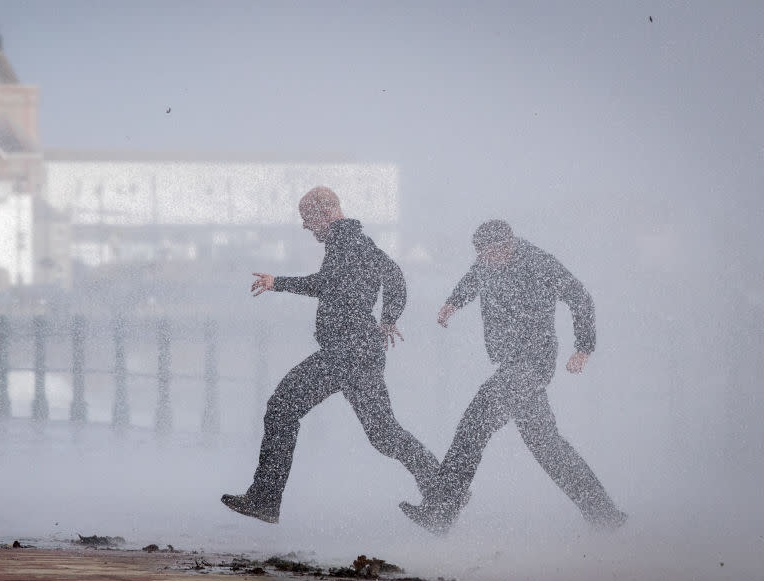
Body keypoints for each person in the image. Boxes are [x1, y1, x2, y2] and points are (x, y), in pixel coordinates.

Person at [221, 186, 439, 523]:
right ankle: (444, 489)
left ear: (326, 213)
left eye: (307, 219)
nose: (305, 227)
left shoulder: (345, 240)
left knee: (282, 407)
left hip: (347, 351)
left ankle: (265, 500)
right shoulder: (360, 242)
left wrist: (277, 282)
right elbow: (395, 277)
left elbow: (327, 283)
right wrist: (388, 318)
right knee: (384, 433)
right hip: (362, 350)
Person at [400, 219, 626, 534]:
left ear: (507, 247)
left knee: (474, 423)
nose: (484, 262)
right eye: (480, 256)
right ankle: (605, 516)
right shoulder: (487, 263)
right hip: (511, 364)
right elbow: (473, 278)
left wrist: (584, 348)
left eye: (489, 255)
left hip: (532, 364)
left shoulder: (538, 262)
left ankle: (441, 510)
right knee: (547, 445)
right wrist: (453, 302)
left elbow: (581, 298)